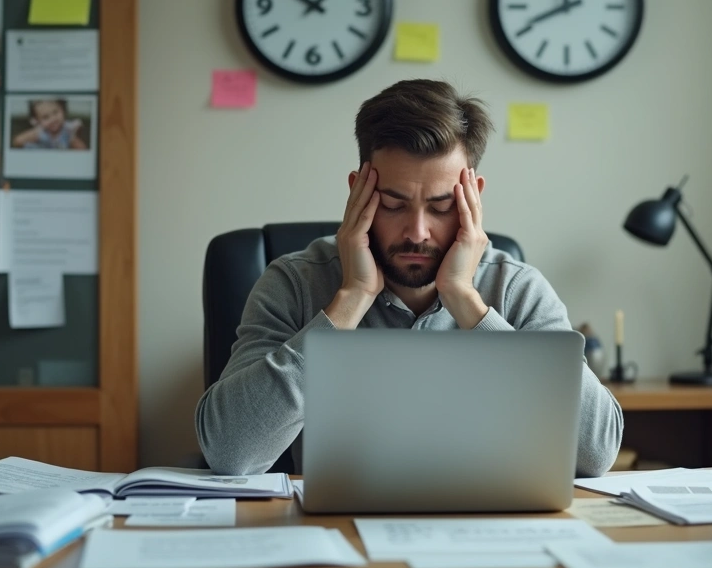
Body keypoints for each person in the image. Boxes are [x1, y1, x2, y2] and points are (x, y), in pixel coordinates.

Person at [195, 79, 623, 477]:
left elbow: (595, 453)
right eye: (394, 205)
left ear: (472, 199)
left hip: (486, 540)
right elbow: (231, 453)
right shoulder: (294, 282)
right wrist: (350, 300)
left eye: (440, 207)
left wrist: (469, 305)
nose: (418, 231)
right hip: (338, 541)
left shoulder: (516, 288)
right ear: (357, 193)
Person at [11, 99, 87, 149]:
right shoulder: (39, 132)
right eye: (45, 117)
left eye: (55, 112)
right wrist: (35, 132)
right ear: (37, 121)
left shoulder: (69, 128)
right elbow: (17, 142)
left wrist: (73, 137)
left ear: (63, 110)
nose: (53, 119)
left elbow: (82, 150)